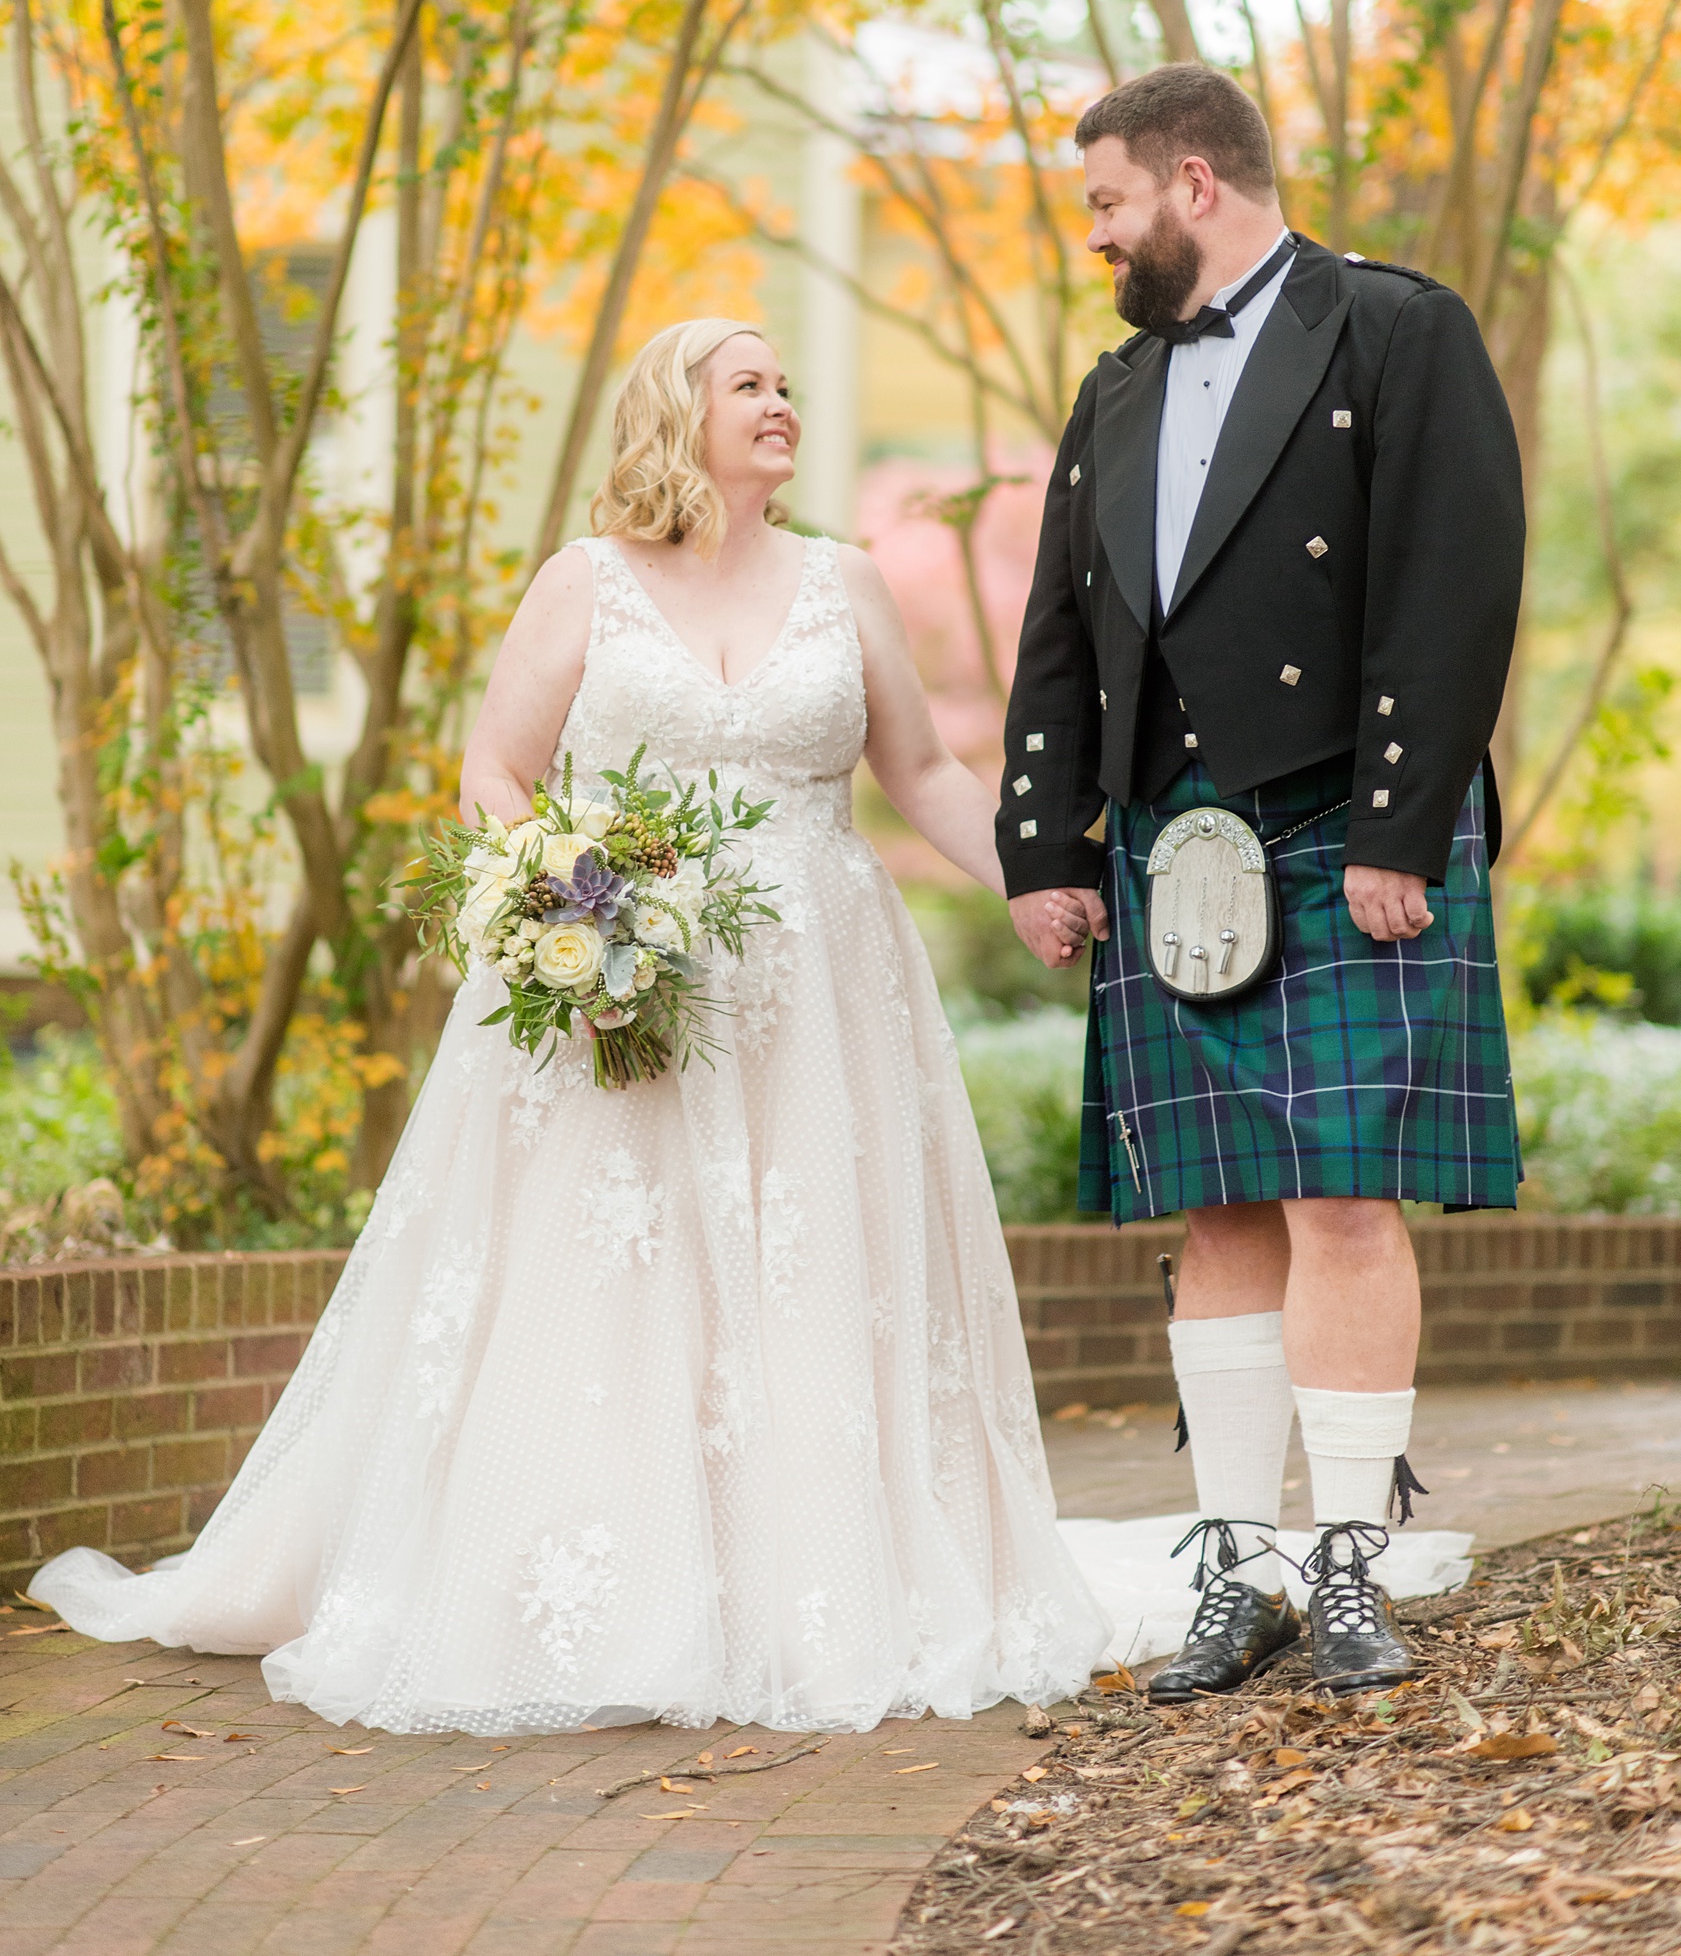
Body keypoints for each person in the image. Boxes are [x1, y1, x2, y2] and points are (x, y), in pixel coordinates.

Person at [32, 318, 1108, 1733]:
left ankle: (814, 1586)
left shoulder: (846, 585)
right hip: (620, 982)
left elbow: (916, 764)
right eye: (751, 386)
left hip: (821, 1001)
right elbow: (497, 766)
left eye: (788, 385)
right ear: (680, 412)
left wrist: (1033, 879)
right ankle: (624, 1589)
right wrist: (577, 913)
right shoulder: (583, 586)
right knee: (623, 1285)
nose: (782, 404)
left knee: (801, 1281)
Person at [999, 65, 1524, 1697]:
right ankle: (1236, 1563)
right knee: (1216, 1203)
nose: (1095, 237)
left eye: (1106, 202)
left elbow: (1455, 580)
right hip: (1173, 833)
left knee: (1341, 1196)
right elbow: (1066, 626)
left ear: (1196, 182)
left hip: (1334, 817)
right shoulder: (1116, 390)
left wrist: (1395, 826)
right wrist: (1049, 840)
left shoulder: (1391, 329)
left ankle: (1349, 1562)